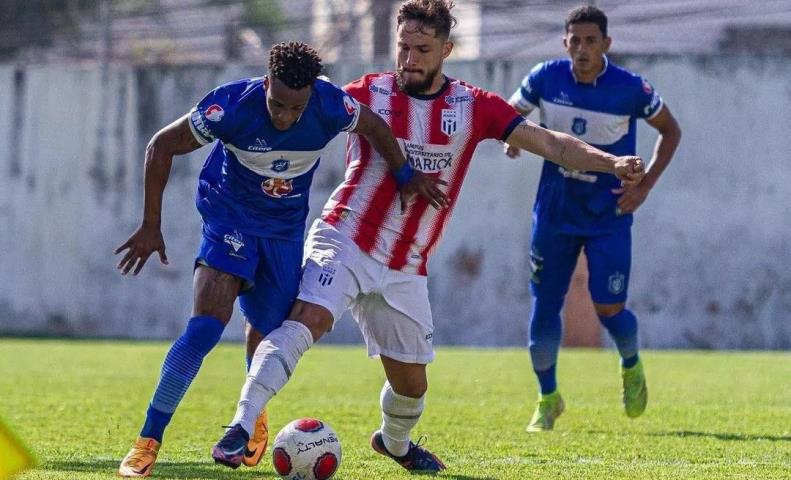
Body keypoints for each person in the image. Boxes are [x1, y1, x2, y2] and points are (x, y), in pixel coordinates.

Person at [211, 0, 646, 473]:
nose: (410, 58)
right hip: (345, 238)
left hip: (406, 264)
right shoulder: (367, 93)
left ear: (446, 50)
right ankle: (240, 427)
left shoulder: (474, 106)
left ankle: (394, 443)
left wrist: (611, 162)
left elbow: (552, 144)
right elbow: (292, 108)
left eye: (422, 49)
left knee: (412, 386)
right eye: (404, 47)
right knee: (307, 320)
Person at [115, 41, 446, 477]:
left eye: (296, 108)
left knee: (270, 330)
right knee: (206, 326)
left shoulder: (330, 105)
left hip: (284, 233)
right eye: (277, 104)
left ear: (311, 94)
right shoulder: (231, 106)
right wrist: (150, 224)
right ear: (266, 83)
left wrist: (404, 174)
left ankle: (252, 416)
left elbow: (374, 126)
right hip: (230, 217)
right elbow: (161, 145)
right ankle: (147, 441)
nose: (285, 117)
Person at [504, 5, 682, 432]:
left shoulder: (630, 88)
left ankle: (631, 363)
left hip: (609, 215)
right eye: (575, 41)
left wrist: (645, 186)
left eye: (591, 41)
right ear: (564, 43)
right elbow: (509, 115)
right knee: (545, 305)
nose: (582, 49)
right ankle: (548, 398)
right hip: (555, 212)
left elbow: (670, 130)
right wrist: (511, 137)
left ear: (606, 44)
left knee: (609, 306)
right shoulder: (545, 78)